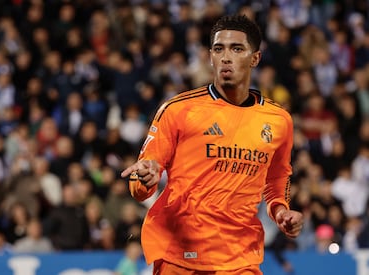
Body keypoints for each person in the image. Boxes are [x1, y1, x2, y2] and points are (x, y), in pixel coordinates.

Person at [121, 14, 304, 275]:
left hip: (240, 258)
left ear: (255, 58)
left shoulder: (279, 121)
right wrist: (144, 179)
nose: (226, 57)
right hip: (181, 257)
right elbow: (139, 187)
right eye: (219, 49)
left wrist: (281, 211)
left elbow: (277, 181)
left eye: (237, 48)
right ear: (210, 57)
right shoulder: (178, 110)